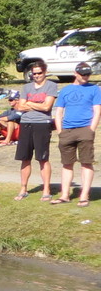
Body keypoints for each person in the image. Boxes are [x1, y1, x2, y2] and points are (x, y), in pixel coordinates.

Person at [49, 61, 101, 207]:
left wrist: (91, 129)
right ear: (75, 74)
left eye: (88, 74)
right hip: (67, 131)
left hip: (85, 129)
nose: (86, 77)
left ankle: (84, 196)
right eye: (83, 74)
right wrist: (60, 131)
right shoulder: (66, 90)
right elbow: (59, 112)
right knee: (67, 164)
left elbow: (97, 110)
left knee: (86, 162)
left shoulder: (95, 89)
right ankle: (65, 195)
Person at [13, 59, 58, 200]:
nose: (37, 76)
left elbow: (47, 107)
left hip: (42, 123)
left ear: (45, 72)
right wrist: (37, 104)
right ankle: (23, 188)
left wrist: (29, 103)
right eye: (34, 74)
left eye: (39, 73)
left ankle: (46, 190)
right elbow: (20, 106)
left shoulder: (51, 86)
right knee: (25, 158)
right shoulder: (26, 88)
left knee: (42, 158)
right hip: (26, 123)